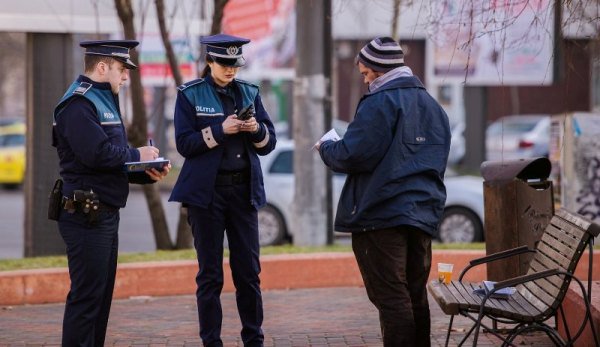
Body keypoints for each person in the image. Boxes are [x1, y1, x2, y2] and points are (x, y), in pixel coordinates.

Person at [316, 37, 451, 346]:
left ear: (378, 70)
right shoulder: (433, 106)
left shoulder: (380, 102)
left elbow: (353, 154)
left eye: (365, 74)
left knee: (391, 297)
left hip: (381, 214)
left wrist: (326, 147)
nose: (365, 79)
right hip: (422, 214)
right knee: (414, 294)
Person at [52, 39, 170, 346]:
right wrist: (138, 155)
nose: (126, 76)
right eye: (122, 69)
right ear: (102, 67)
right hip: (86, 215)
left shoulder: (103, 99)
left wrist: (147, 172)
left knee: (100, 301)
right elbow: (97, 154)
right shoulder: (79, 104)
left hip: (103, 213)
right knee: (87, 300)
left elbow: (107, 163)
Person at [169, 34, 276, 347]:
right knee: (210, 275)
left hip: (244, 193)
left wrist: (255, 129)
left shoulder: (249, 93)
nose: (231, 69)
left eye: (235, 64)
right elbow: (184, 144)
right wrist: (220, 130)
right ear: (209, 61)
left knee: (249, 274)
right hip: (207, 195)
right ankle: (211, 342)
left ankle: (253, 339)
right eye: (224, 63)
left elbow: (268, 143)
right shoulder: (190, 94)